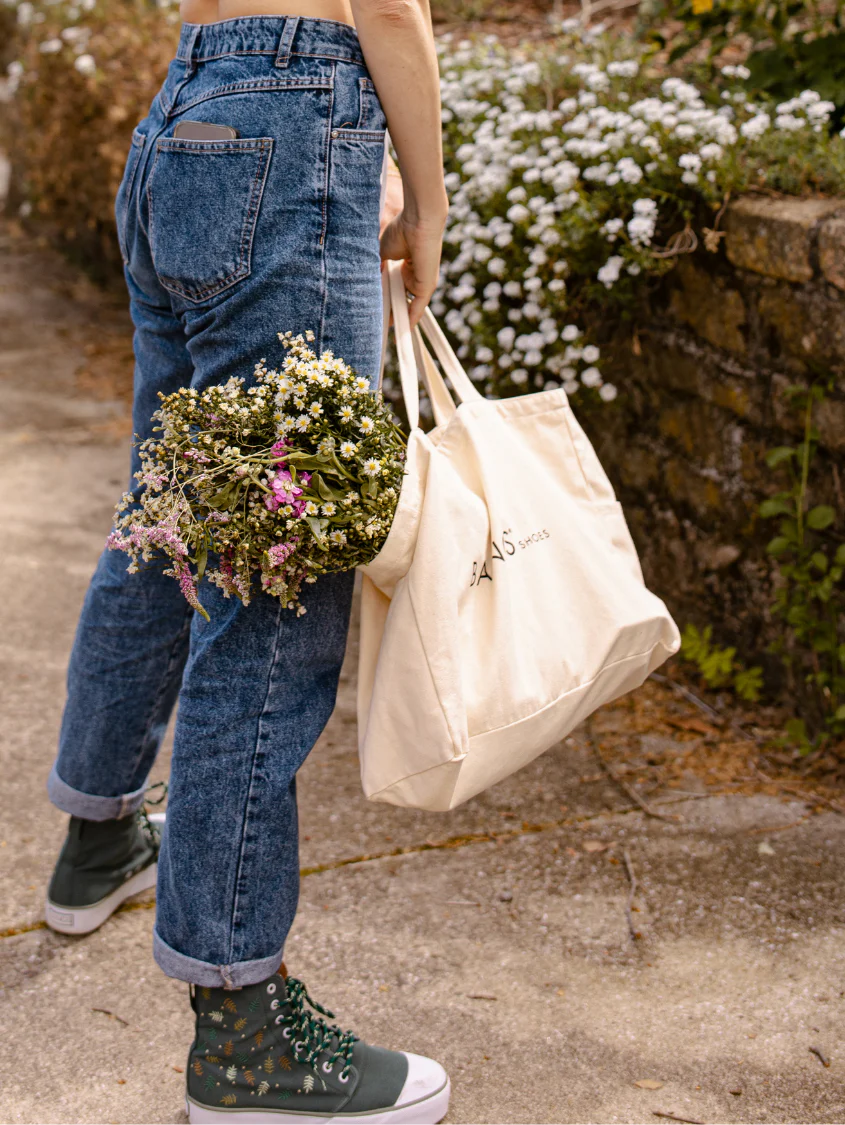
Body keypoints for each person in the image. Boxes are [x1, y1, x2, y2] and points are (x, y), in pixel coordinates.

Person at [43, 0, 450, 1119]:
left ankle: (98, 839)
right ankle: (241, 1036)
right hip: (290, 113)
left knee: (171, 510)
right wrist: (428, 195)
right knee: (277, 579)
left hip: (188, 112)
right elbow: (388, 10)